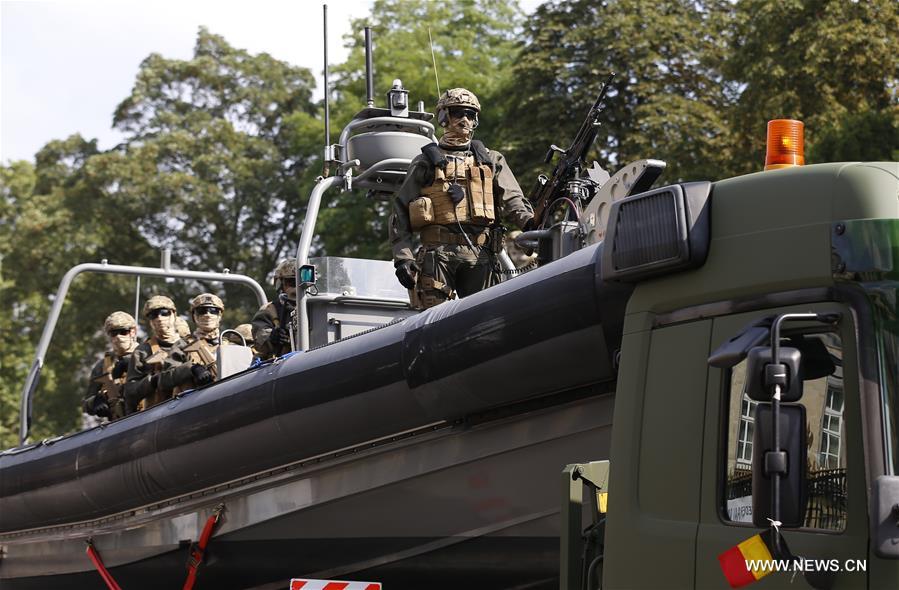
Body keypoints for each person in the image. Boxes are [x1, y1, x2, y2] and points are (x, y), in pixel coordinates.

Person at [389, 87, 534, 310]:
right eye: (457, 112)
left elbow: (512, 198)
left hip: (481, 255)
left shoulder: (491, 160)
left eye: (470, 114)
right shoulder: (424, 162)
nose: (464, 119)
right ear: (443, 117)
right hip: (438, 254)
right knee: (435, 322)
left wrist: (530, 223)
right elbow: (400, 211)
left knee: (484, 320)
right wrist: (403, 258)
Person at [124, 295, 212, 413]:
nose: (159, 318)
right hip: (160, 413)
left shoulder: (190, 344)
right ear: (150, 321)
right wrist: (153, 381)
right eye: (153, 315)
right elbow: (130, 393)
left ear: (174, 315)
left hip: (197, 404)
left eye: (164, 313)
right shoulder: (142, 351)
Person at [82, 311, 139, 421]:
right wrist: (95, 402)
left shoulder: (147, 353)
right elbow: (85, 404)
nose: (118, 337)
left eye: (123, 332)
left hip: (149, 415)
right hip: (119, 423)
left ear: (133, 332)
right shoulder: (103, 366)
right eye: (114, 333)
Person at [252, 258, 296, 359]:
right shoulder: (269, 309)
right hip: (280, 363)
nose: (297, 286)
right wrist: (272, 337)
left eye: (301, 281)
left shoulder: (316, 307)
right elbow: (259, 339)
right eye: (291, 281)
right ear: (280, 283)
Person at [181, 293, 225, 381]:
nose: (208, 315)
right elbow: (164, 378)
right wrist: (192, 369)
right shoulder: (183, 344)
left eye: (213, 311)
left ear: (219, 316)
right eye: (202, 311)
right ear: (194, 316)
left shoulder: (230, 345)